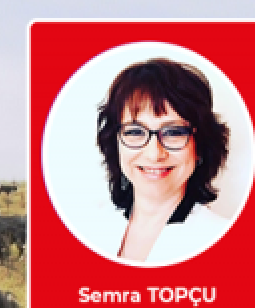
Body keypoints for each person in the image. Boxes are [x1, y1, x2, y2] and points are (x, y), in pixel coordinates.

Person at [94, 58, 231, 264]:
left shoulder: (221, 238)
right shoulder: (89, 225)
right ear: (115, 143)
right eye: (135, 131)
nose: (154, 154)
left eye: (173, 132)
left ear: (200, 146)